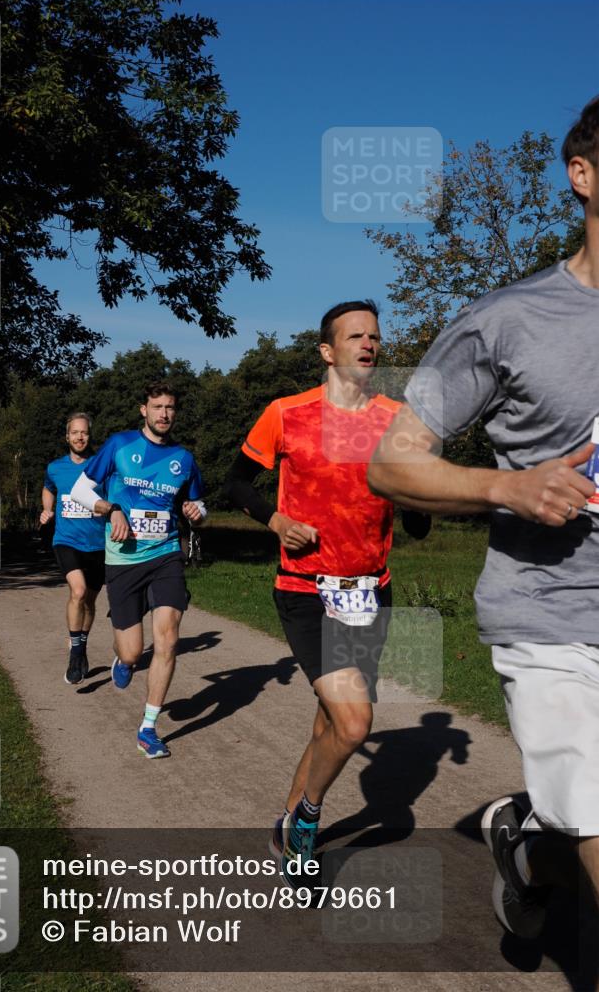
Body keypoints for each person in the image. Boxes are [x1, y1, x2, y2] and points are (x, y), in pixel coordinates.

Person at [367, 96, 599, 939]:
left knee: (577, 831)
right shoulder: (503, 322)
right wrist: (507, 488)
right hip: (551, 620)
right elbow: (392, 462)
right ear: (582, 175)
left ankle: (530, 846)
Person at [224, 300, 429, 882]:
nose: (369, 345)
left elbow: (418, 521)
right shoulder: (286, 414)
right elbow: (237, 480)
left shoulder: (396, 418)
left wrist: (417, 494)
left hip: (370, 592)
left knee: (328, 723)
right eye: (355, 336)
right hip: (306, 589)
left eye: (375, 336)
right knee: (356, 723)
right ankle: (308, 824)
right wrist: (275, 521)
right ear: (327, 350)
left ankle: (285, 820)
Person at [71, 382, 206, 758]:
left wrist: (198, 513)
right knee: (132, 653)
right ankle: (124, 659)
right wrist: (111, 508)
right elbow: (81, 491)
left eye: (171, 407)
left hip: (165, 555)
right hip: (124, 560)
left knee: (168, 638)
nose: (165, 414)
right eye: (157, 406)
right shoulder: (119, 445)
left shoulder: (184, 458)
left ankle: (148, 727)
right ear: (142, 410)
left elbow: (198, 504)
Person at [41, 413, 106, 686]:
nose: (80, 437)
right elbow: (48, 488)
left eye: (84, 433)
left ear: (90, 436)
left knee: (89, 602)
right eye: (75, 433)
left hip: (98, 544)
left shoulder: (101, 466)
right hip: (66, 540)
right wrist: (46, 509)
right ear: (67, 437)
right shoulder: (55, 467)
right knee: (77, 591)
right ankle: (75, 653)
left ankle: (81, 646)